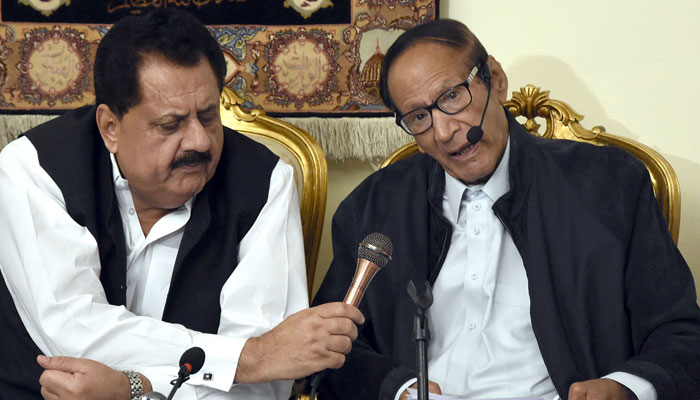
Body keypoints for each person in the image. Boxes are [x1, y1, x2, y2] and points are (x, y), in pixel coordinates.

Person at [312, 19, 700, 400]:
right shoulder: (373, 207)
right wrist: (397, 390)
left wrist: (626, 387)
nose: (444, 131)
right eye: (418, 117)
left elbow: (680, 333)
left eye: (451, 96)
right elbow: (329, 351)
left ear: (495, 79)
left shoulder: (608, 184)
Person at [0, 9, 362, 400]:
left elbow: (267, 385)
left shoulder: (265, 182)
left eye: (208, 116)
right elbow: (72, 334)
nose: (200, 142)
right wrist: (249, 357)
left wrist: (133, 389)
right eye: (170, 125)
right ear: (110, 128)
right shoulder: (35, 170)